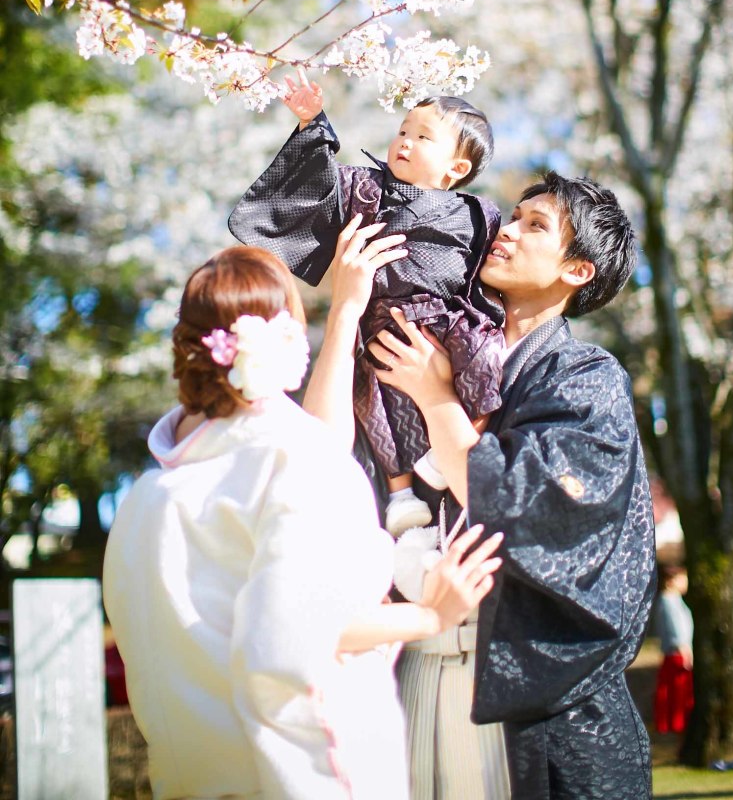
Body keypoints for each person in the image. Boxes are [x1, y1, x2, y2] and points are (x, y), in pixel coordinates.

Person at [102, 236, 503, 800]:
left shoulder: (145, 502)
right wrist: (429, 615)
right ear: (284, 338)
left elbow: (314, 444)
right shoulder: (295, 464)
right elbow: (290, 639)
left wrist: (346, 313)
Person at [369, 171, 657, 800]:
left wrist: (435, 397)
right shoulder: (443, 346)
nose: (506, 231)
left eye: (536, 226)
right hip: (414, 655)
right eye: (513, 216)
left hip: (522, 681)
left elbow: (516, 500)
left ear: (576, 270)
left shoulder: (585, 377)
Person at [228, 71, 505, 539]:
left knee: (488, 359)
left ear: (456, 169)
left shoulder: (479, 214)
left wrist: (483, 322)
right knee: (371, 400)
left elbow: (488, 281)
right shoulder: (367, 191)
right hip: (378, 324)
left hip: (448, 324)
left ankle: (461, 443)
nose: (405, 142)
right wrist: (313, 123)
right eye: (403, 131)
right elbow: (320, 185)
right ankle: (400, 493)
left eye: (423, 137)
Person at [653, 563, 694, 735]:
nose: (685, 583)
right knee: (676, 688)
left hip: (679, 651)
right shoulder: (668, 601)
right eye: (682, 579)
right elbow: (675, 628)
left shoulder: (674, 600)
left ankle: (677, 722)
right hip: (677, 652)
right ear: (671, 581)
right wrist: (684, 649)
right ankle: (674, 724)